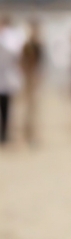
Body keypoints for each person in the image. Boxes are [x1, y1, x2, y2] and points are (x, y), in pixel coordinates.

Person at [0, 16, 26, 145]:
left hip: (6, 79)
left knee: (6, 109)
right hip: (5, 78)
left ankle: (4, 135)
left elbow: (15, 55)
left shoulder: (10, 38)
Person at [19, 19, 44, 146]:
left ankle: (31, 134)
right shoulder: (29, 45)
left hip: (33, 78)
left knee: (33, 108)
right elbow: (24, 63)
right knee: (28, 108)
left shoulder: (36, 44)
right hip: (29, 79)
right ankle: (27, 135)